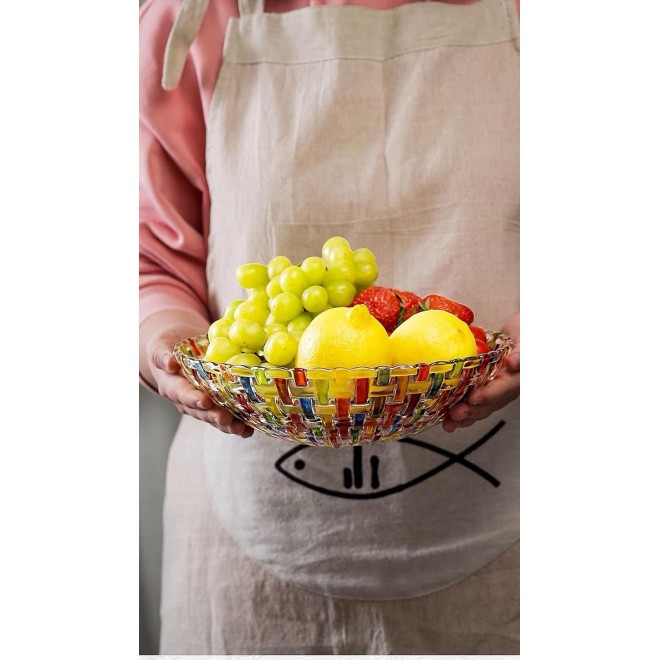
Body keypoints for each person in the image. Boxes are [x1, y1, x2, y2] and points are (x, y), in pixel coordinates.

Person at [139, 0, 521, 653]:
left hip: (514, 551)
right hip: (245, 571)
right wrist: (165, 343)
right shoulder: (191, 16)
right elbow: (145, 255)